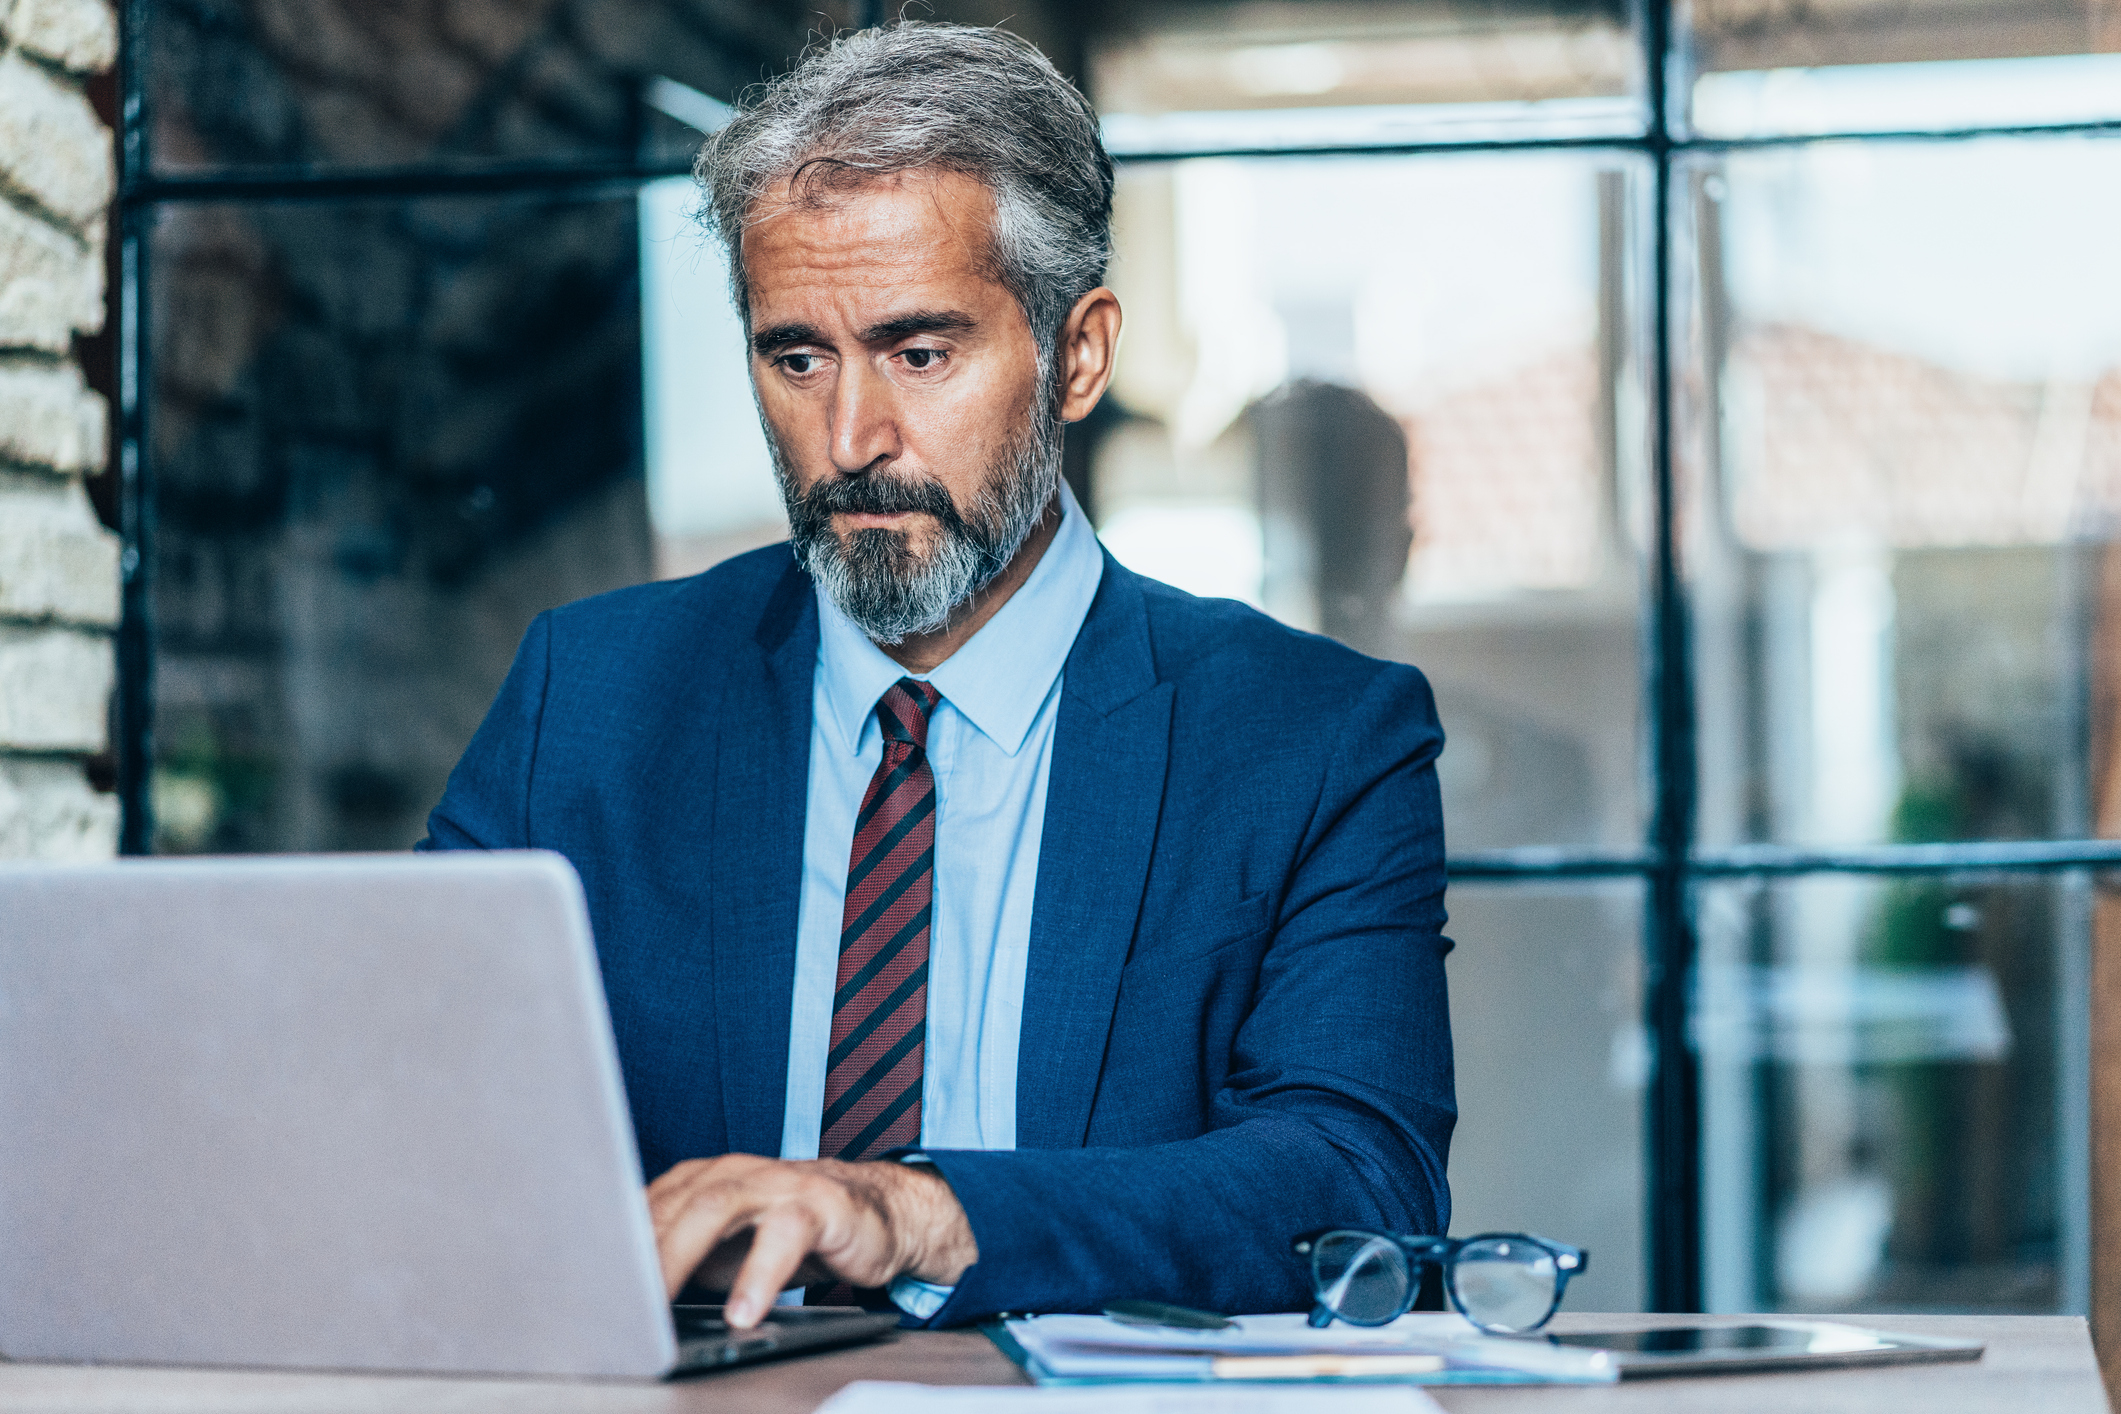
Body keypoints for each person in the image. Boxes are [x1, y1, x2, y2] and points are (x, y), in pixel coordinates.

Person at [422, 21, 1453, 1331]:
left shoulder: (1311, 736)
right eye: (796, 357)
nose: (850, 438)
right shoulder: (590, 696)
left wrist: (913, 1209)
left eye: (919, 353)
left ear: (1076, 355)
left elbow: (1363, 1180)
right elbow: (413, 1115)